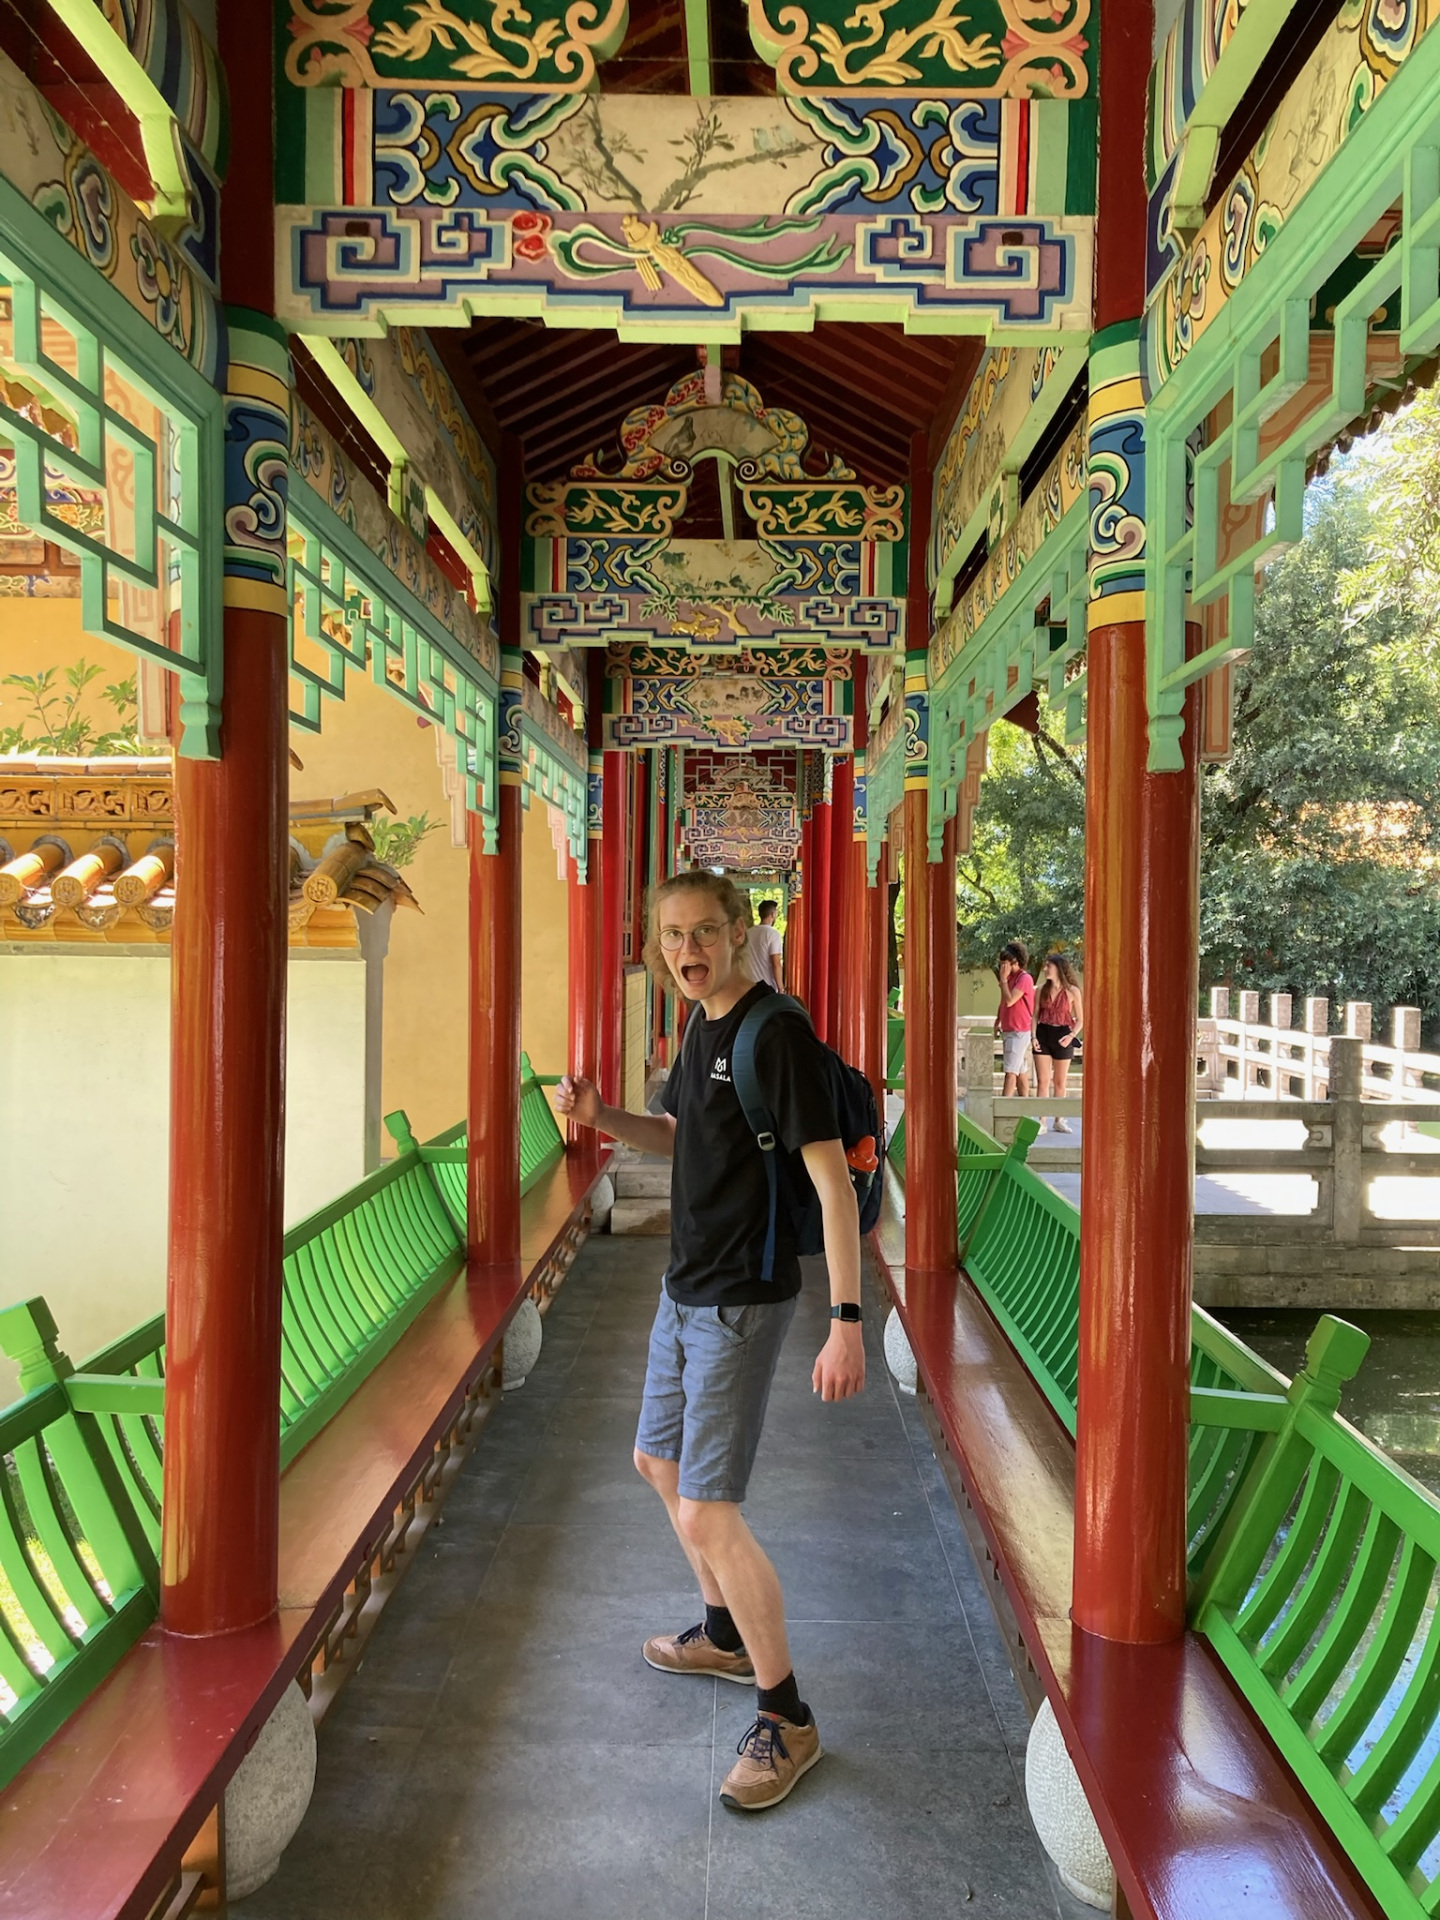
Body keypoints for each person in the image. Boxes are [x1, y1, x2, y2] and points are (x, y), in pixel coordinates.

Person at [555, 870, 864, 1812]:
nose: (686, 950)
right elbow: (679, 1133)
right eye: (671, 936)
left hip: (743, 1299)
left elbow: (833, 1186)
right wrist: (601, 1119)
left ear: (737, 934)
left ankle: (787, 1717)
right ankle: (725, 1639)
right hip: (684, 1286)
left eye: (702, 932)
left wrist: (846, 1322)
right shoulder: (701, 1026)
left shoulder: (776, 1036)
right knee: (657, 1464)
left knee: (707, 1512)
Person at [1033, 953, 1083, 1131]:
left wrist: (1071, 1036)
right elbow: (1035, 1015)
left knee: (1060, 1081)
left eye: (1049, 966)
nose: (1045, 969)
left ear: (1059, 968)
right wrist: (1033, 1036)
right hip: (1043, 1032)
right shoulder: (1041, 989)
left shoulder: (1073, 991)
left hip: (1063, 1034)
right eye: (1046, 966)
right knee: (1043, 1080)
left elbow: (1080, 1020)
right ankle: (1042, 1121)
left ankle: (1059, 1119)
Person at [994, 940, 1035, 1097]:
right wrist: (998, 1020)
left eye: (1005, 964)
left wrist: (1003, 980)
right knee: (1020, 1070)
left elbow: (1011, 1000)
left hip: (1019, 1030)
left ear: (1015, 962)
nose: (1002, 968)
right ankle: (1025, 1104)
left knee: (1010, 1072)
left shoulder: (1024, 979)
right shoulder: (1009, 979)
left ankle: (1004, 1106)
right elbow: (1003, 1001)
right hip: (1009, 1028)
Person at [746, 897, 784, 989]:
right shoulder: (773, 934)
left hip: (748, 986)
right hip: (767, 986)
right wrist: (781, 988)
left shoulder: (747, 933)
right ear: (773, 914)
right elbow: (776, 963)